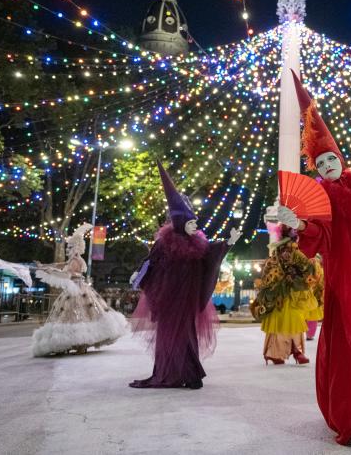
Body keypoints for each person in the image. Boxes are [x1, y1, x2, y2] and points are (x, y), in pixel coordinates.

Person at [271, 71, 351, 446]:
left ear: (341, 159)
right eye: (321, 163)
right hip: (342, 279)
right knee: (344, 342)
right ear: (316, 169)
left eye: (332, 159)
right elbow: (318, 236)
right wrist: (297, 221)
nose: (328, 165)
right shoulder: (322, 198)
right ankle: (350, 418)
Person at [129, 161, 240, 390]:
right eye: (190, 223)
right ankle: (169, 373)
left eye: (194, 222)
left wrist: (228, 242)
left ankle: (191, 374)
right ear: (180, 223)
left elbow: (211, 255)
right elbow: (150, 263)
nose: (194, 226)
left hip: (187, 299)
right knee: (170, 337)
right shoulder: (164, 243)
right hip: (170, 300)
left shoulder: (198, 242)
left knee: (187, 336)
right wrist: (138, 276)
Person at [32, 224, 129, 356]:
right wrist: (44, 266)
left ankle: (80, 344)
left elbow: (68, 274)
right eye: (68, 246)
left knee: (79, 315)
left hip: (77, 289)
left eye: (71, 247)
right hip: (72, 289)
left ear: (77, 247)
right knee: (70, 315)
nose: (68, 249)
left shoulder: (76, 260)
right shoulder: (72, 260)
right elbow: (60, 265)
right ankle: (69, 343)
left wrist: (51, 271)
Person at [251, 225, 320, 365]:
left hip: (295, 295)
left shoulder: (300, 253)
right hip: (278, 296)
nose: (289, 248)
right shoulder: (274, 257)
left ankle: (297, 351)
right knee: (279, 324)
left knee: (295, 322)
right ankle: (275, 353)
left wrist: (309, 266)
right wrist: (282, 276)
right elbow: (269, 275)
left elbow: (307, 268)